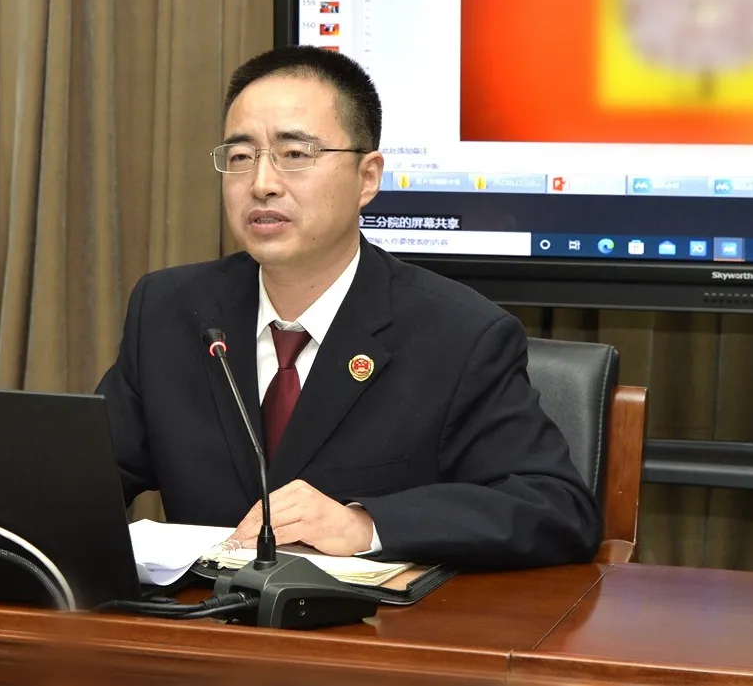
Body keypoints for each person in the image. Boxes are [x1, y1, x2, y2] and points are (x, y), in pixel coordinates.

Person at [96, 45, 602, 569]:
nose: (262, 184)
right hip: (199, 616)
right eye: (241, 158)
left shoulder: (459, 335)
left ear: (367, 177)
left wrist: (366, 525)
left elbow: (556, 508)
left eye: (295, 154)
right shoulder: (170, 311)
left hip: (368, 619)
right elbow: (87, 476)